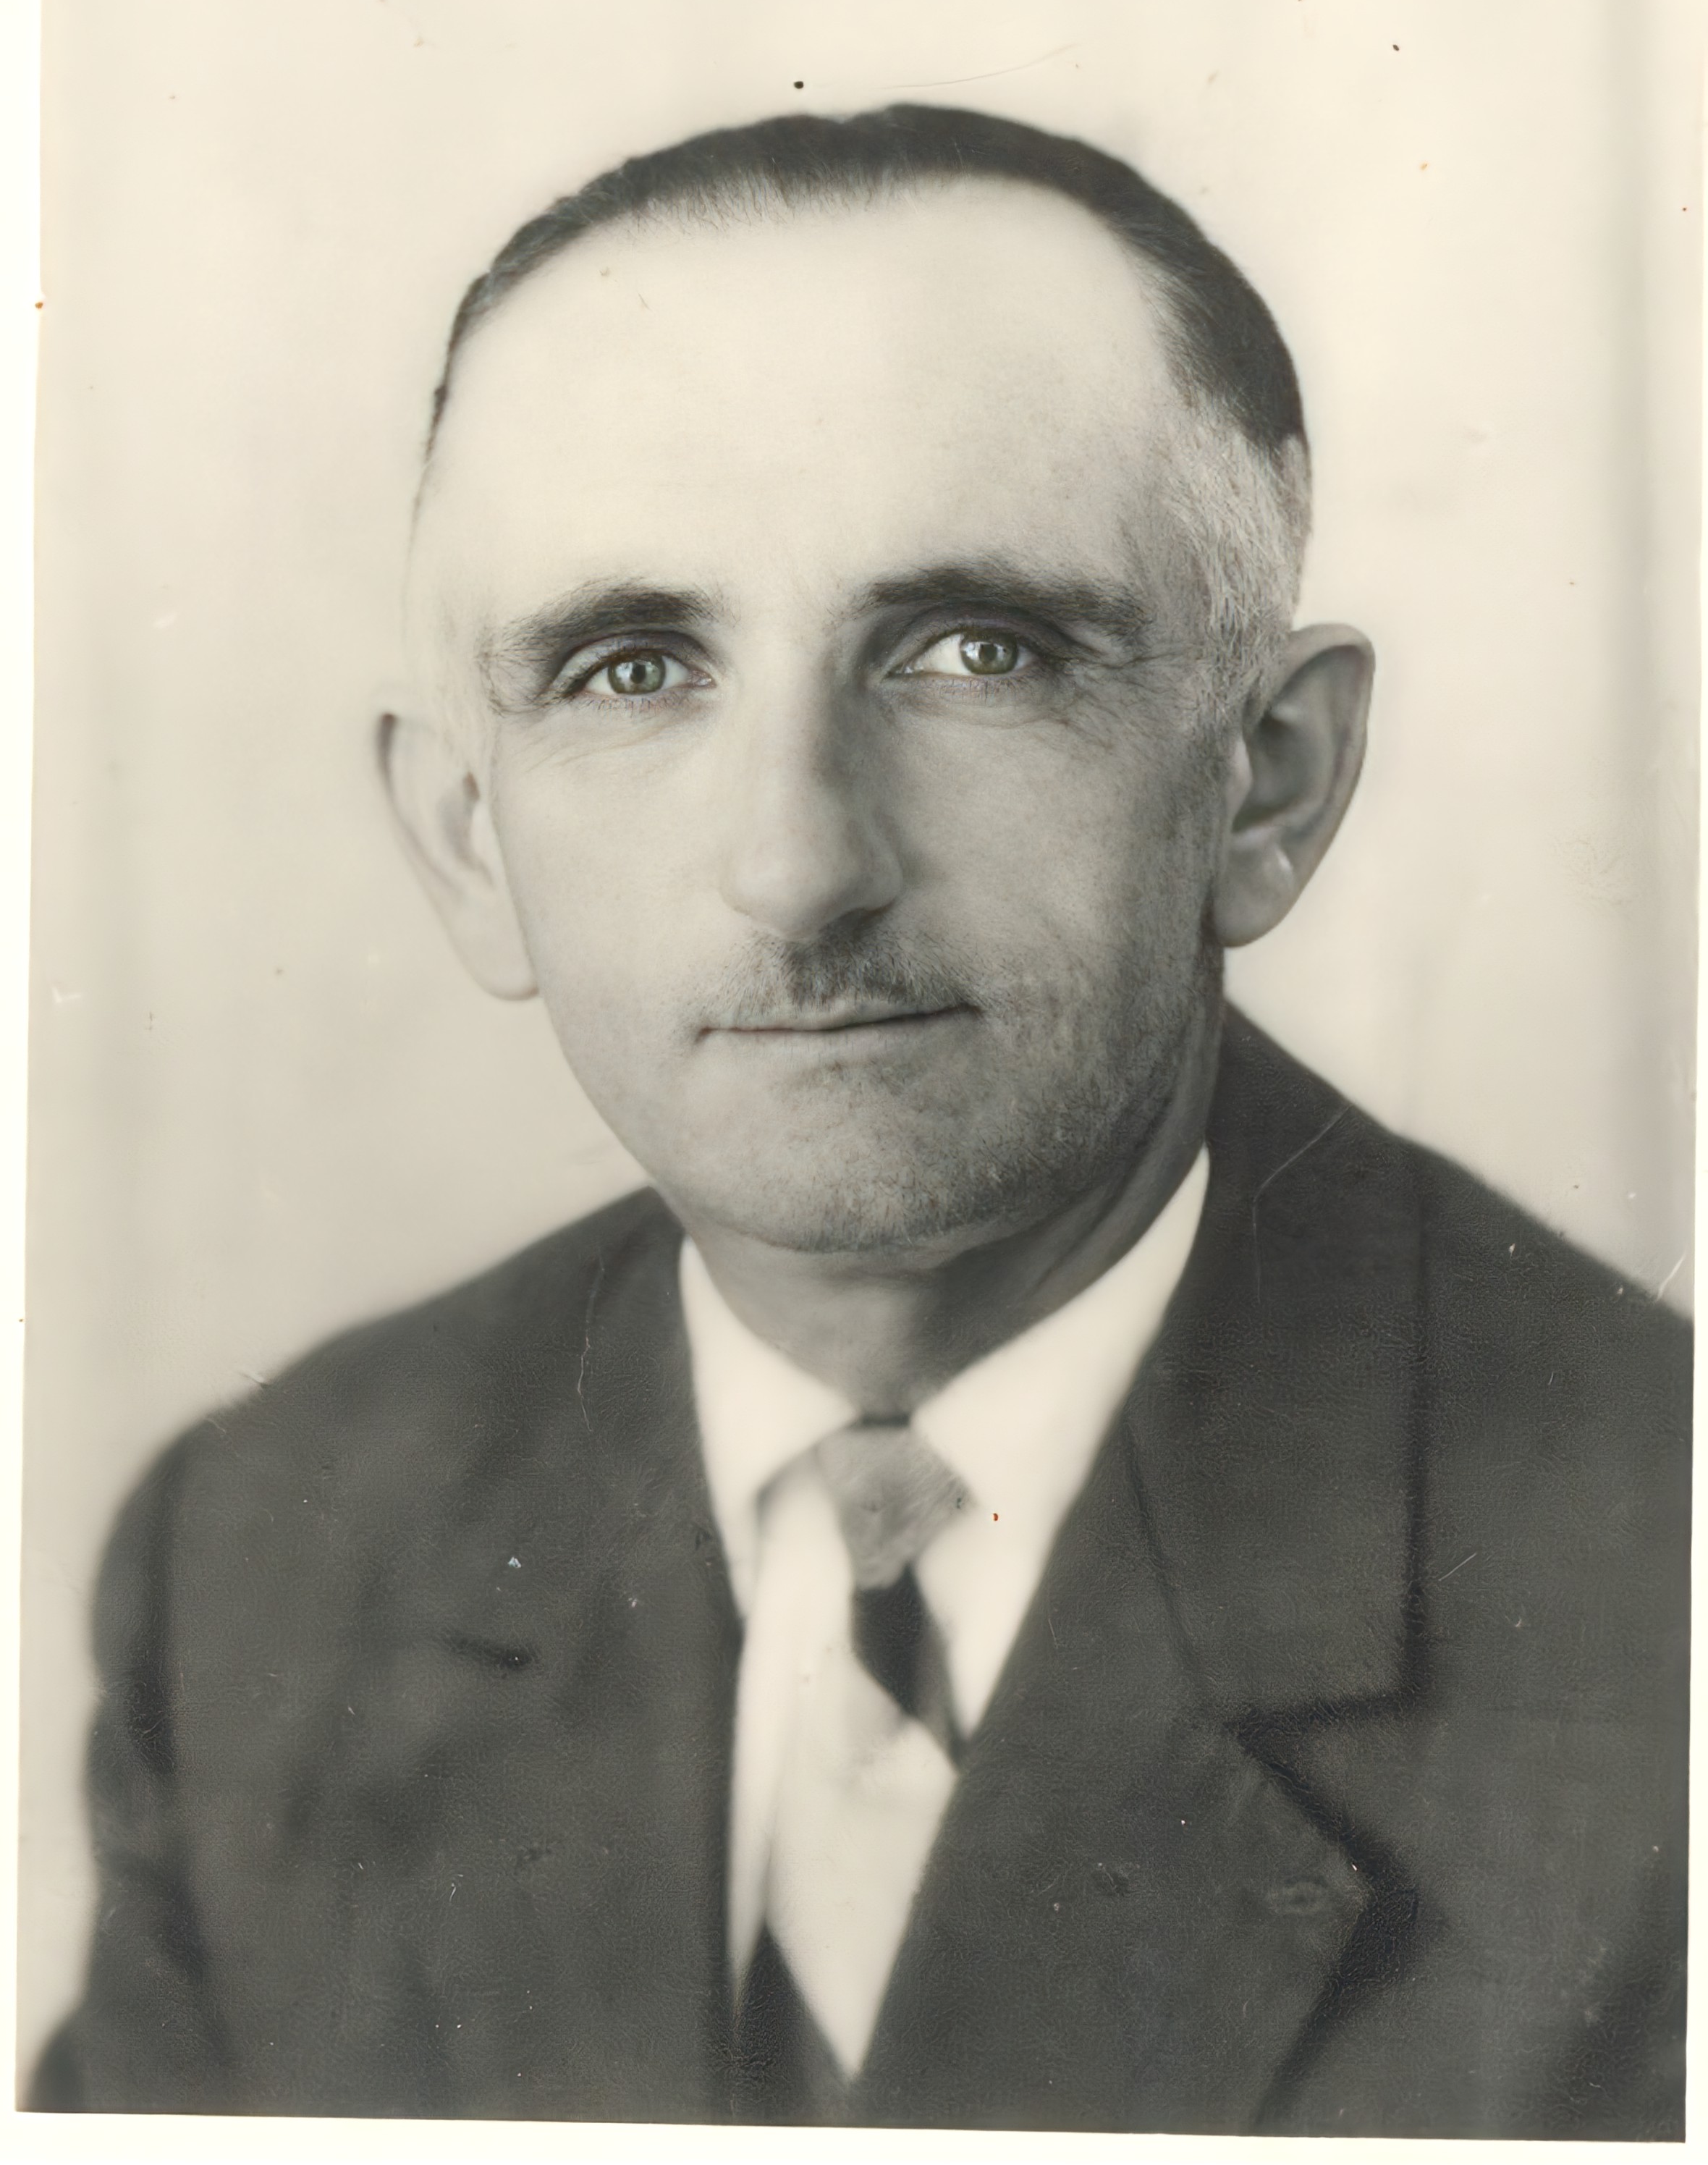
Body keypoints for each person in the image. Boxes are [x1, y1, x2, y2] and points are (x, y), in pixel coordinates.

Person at [33, 106, 1687, 2136]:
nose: (799, 866)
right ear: (469, 841)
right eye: (633, 669)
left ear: (1264, 777)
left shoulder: (1656, 1599)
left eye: (978, 652)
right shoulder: (265, 1562)